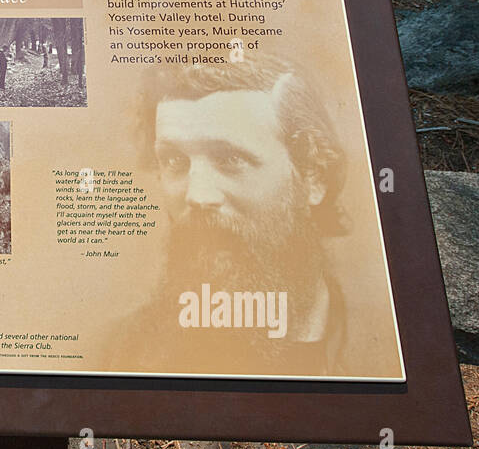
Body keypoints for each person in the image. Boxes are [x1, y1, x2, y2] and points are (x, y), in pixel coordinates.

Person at [107, 55, 356, 376]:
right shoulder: (115, 353)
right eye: (174, 161)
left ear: (313, 176)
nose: (198, 196)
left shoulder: (380, 350)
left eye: (230, 159)